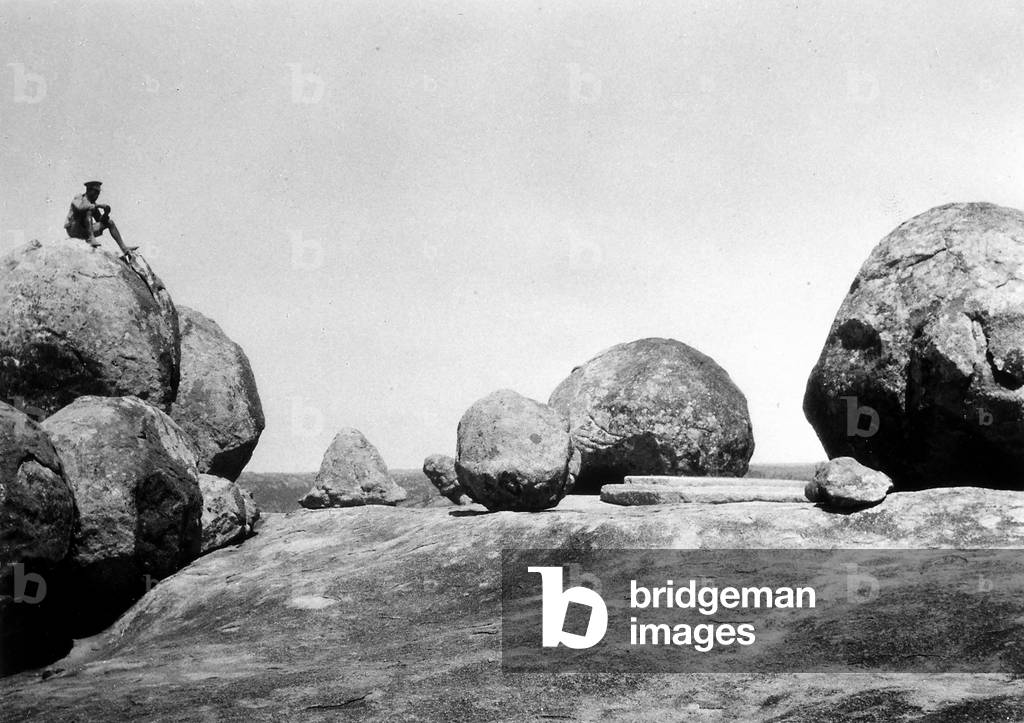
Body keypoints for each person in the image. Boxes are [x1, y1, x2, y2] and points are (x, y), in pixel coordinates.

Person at [64, 180, 138, 258]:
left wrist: (106, 213)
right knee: (89, 210)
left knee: (110, 222)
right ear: (89, 190)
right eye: (95, 192)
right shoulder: (79, 197)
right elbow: (79, 207)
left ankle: (124, 248)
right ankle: (91, 238)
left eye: (98, 193)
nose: (97, 195)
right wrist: (98, 206)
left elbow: (99, 220)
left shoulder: (93, 204)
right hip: (73, 229)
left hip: (84, 231)